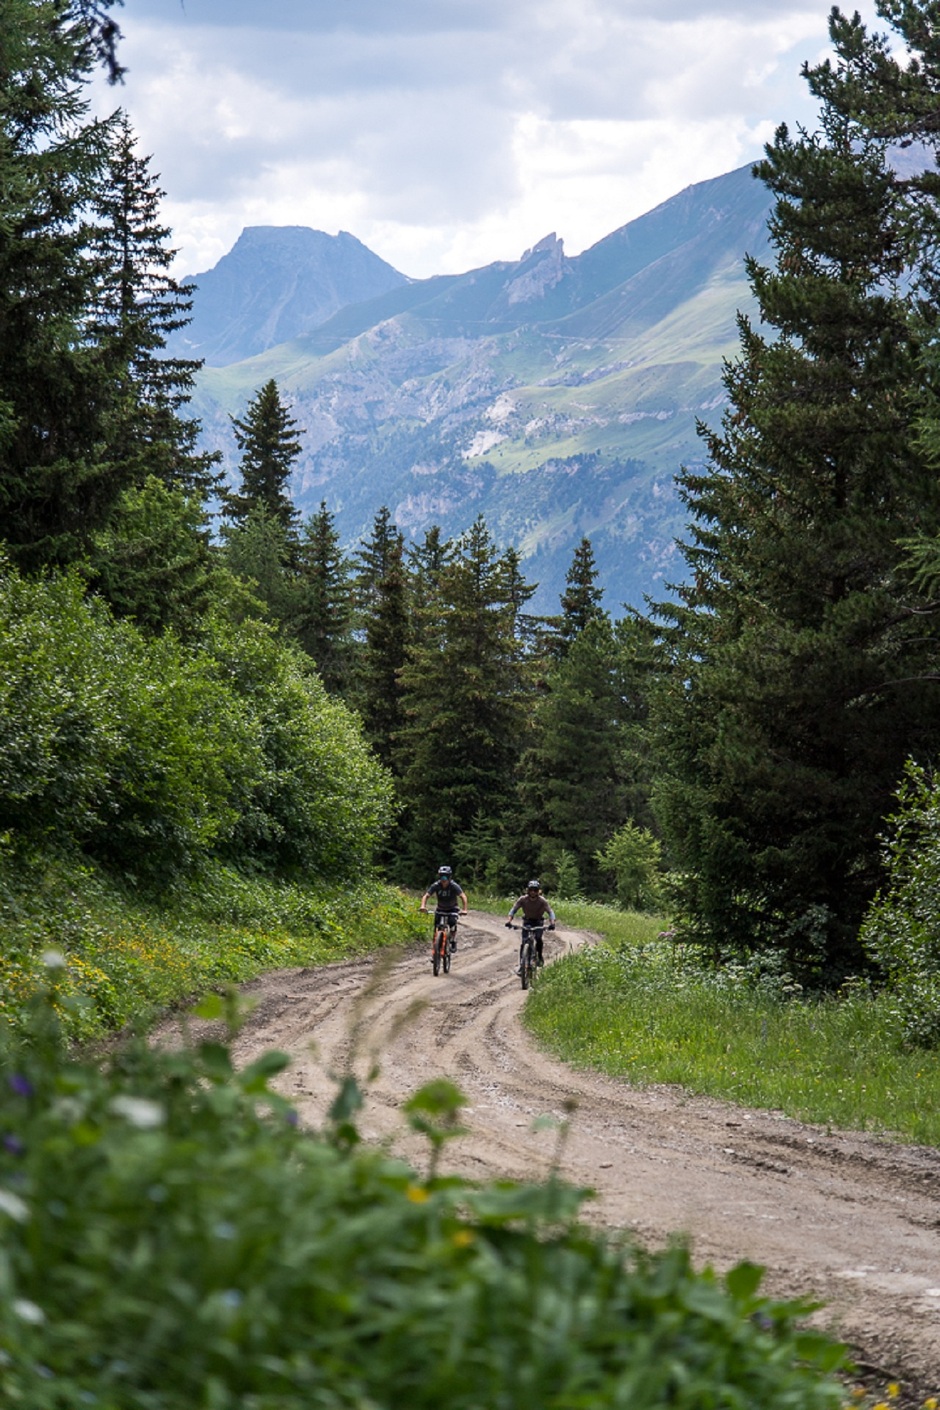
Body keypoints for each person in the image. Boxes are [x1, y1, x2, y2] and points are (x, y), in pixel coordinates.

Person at [506, 879, 555, 971]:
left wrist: (552, 923)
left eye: (535, 890)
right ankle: (522, 964)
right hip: (527, 921)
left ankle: (539, 956)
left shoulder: (542, 901)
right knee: (524, 942)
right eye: (531, 890)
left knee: (538, 938)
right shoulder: (523, 899)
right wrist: (509, 921)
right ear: (527, 890)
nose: (533, 892)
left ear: (538, 891)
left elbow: (550, 912)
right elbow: (513, 910)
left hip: (538, 922)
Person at [419, 865, 468, 951]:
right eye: (441, 876)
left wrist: (464, 909)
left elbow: (463, 896)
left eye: (445, 877)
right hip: (440, 908)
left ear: (449, 877)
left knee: (452, 923)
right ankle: (435, 946)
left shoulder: (453, 885)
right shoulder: (436, 885)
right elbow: (426, 896)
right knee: (436, 925)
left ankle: (453, 940)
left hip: (452, 908)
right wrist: (423, 906)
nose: (443, 879)